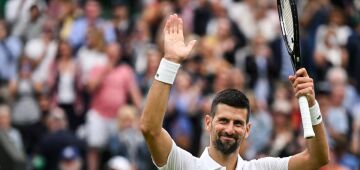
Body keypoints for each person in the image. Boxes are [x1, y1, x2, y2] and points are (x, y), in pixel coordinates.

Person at [140, 14, 329, 169]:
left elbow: (317, 158)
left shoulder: (262, 168)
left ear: (247, 130)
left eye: (238, 123)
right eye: (223, 120)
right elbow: (150, 129)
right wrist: (170, 61)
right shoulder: (186, 165)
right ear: (208, 122)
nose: (230, 129)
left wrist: (311, 104)